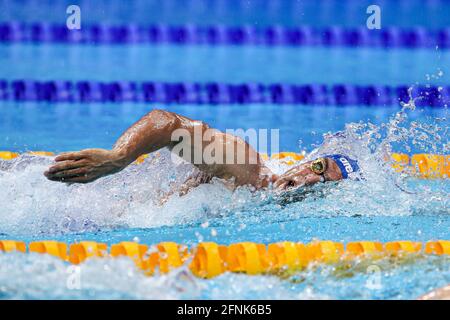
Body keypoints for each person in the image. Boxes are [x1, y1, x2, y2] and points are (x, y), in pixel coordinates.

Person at [44, 109, 360, 197]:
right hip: (94, 199)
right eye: (318, 167)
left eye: (325, 187)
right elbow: (167, 124)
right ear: (307, 160)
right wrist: (117, 158)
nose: (308, 181)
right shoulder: (249, 169)